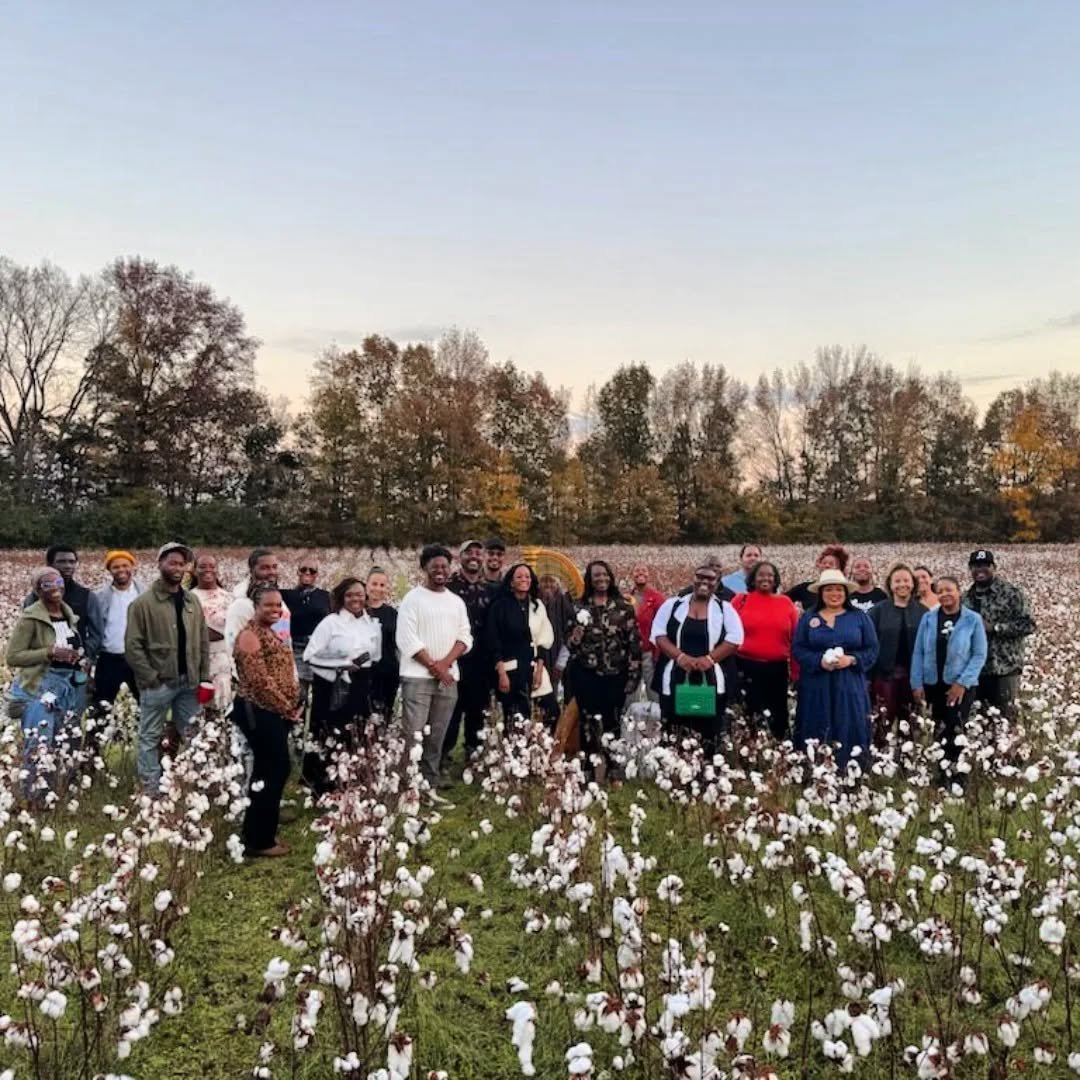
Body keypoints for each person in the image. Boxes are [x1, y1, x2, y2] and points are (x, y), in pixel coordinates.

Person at [124, 543, 210, 796]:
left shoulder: (192, 600)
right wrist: (150, 677)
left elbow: (202, 641)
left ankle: (193, 787)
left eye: (182, 564)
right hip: (159, 684)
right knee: (150, 736)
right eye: (172, 563)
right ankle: (152, 790)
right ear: (160, 564)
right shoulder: (142, 604)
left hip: (189, 683)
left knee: (193, 735)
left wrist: (203, 677)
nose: (178, 568)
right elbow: (132, 646)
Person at [396, 545, 473, 804]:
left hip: (448, 679)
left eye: (444, 566)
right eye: (434, 566)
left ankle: (429, 786)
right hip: (417, 678)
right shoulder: (412, 599)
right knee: (414, 736)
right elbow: (407, 639)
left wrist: (445, 665)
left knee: (436, 737)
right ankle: (409, 789)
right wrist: (434, 666)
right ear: (425, 568)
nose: (440, 570)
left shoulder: (456, 602)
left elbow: (465, 637)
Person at [7, 566, 90, 797]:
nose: (55, 588)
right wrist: (49, 652)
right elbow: (13, 656)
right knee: (40, 742)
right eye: (47, 584)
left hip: (67, 687)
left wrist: (79, 660)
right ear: (37, 590)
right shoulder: (30, 618)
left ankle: (56, 793)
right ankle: (34, 797)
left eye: (58, 583)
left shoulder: (68, 614)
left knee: (63, 740)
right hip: (39, 686)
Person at [233, 583, 301, 856]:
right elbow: (259, 682)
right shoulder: (250, 636)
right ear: (256, 607)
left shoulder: (269, 631)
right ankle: (259, 840)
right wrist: (287, 707)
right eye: (268, 605)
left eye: (278, 605)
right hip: (259, 710)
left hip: (274, 711)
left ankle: (260, 830)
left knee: (272, 769)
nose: (275, 609)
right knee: (273, 768)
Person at [791, 568, 879, 770]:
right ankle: (816, 771)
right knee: (816, 722)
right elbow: (798, 649)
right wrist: (818, 661)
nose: (834, 594)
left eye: (839, 589)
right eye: (829, 589)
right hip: (816, 683)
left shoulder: (859, 617)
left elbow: (872, 649)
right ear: (821, 593)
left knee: (850, 722)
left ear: (846, 593)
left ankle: (851, 770)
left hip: (850, 683)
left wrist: (852, 660)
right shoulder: (809, 618)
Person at [651, 565, 744, 754]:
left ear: (717, 583)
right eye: (700, 577)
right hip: (674, 676)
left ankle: (706, 765)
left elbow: (735, 638)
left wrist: (710, 659)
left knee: (709, 732)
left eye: (710, 579)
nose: (704, 582)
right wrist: (680, 657)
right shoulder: (672, 605)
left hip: (711, 679)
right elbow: (658, 634)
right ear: (693, 579)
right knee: (673, 729)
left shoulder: (725, 609)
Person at [302, 576, 382, 794]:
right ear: (341, 598)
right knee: (329, 732)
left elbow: (375, 655)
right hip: (332, 685)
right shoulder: (331, 623)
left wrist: (362, 661)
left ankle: (351, 780)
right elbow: (310, 655)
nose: (355, 599)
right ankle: (322, 784)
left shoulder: (371, 623)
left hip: (360, 683)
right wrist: (341, 663)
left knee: (355, 729)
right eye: (349, 595)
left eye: (359, 594)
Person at [563, 560, 642, 769]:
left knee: (612, 721)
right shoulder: (578, 607)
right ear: (589, 580)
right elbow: (569, 644)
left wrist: (634, 676)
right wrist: (575, 637)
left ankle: (613, 768)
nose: (601, 579)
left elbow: (634, 644)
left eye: (605, 574)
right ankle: (589, 768)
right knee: (587, 721)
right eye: (596, 575)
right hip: (586, 675)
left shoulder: (624, 608)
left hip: (616, 675)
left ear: (611, 578)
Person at [911, 575, 988, 769]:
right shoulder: (928, 618)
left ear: (958, 592)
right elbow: (918, 651)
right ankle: (939, 772)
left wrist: (962, 683)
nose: (944, 594)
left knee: (956, 730)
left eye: (949, 590)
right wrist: (916, 683)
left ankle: (957, 773)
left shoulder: (973, 619)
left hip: (960, 687)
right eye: (940, 591)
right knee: (937, 730)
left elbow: (979, 655)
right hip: (933, 684)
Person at [443, 539, 497, 766]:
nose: (474, 556)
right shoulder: (448, 586)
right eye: (469, 552)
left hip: (481, 661)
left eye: (478, 552)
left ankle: (473, 754)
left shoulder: (491, 589)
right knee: (450, 710)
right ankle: (443, 755)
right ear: (460, 557)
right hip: (454, 657)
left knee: (477, 709)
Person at [963, 549, 1035, 717]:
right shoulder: (965, 598)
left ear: (994, 567)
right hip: (975, 671)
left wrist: (995, 628)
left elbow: (1028, 625)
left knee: (1004, 722)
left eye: (985, 565)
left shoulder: (1012, 594)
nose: (980, 570)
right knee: (977, 721)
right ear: (970, 569)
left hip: (1004, 669)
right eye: (975, 566)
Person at [731, 561, 798, 738]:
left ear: (775, 580)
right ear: (752, 579)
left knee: (778, 715)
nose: (765, 578)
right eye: (761, 575)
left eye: (770, 575)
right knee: (748, 714)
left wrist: (795, 672)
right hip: (745, 667)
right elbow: (727, 633)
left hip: (777, 669)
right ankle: (748, 747)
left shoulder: (785, 603)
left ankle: (779, 746)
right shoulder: (740, 600)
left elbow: (796, 639)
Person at [485, 563, 555, 723]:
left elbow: (544, 638)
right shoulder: (499, 606)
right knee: (517, 719)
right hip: (510, 670)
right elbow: (493, 640)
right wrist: (501, 673)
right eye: (519, 576)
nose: (524, 579)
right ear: (511, 582)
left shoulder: (537, 605)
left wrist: (539, 670)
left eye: (527, 576)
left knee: (551, 712)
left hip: (534, 667)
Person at [867, 563, 928, 746]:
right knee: (882, 722)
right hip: (884, 677)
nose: (902, 584)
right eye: (897, 581)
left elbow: (927, 648)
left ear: (913, 583)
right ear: (890, 584)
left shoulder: (923, 612)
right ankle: (880, 757)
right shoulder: (877, 611)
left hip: (913, 678)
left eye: (906, 580)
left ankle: (907, 758)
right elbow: (869, 644)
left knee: (910, 723)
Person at [23, 545, 102, 661]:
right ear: (49, 564)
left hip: (76, 664)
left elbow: (96, 634)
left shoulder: (87, 597)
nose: (68, 566)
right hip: (43, 663)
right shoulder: (35, 597)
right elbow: (26, 633)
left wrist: (83, 653)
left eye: (72, 562)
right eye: (61, 561)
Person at [93, 550, 143, 713]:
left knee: (142, 706)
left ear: (132, 567)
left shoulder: (144, 594)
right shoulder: (99, 597)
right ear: (109, 570)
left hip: (139, 659)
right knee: (103, 706)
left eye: (125, 565)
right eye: (116, 567)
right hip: (109, 659)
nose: (121, 570)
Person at [280, 556, 332, 708]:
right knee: (298, 694)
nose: (307, 573)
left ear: (317, 574)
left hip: (318, 650)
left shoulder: (326, 596)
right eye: (303, 569)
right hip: (295, 649)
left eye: (312, 570)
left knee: (321, 696)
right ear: (297, 572)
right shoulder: (286, 595)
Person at [225, 548, 292, 655]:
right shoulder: (241, 605)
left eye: (274, 567)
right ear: (252, 570)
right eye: (265, 568)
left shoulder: (278, 600)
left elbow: (286, 640)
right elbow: (232, 645)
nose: (272, 572)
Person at [189, 553, 233, 710]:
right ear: (194, 571)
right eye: (202, 566)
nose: (208, 570)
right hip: (197, 660)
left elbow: (234, 631)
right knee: (198, 707)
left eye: (212, 566)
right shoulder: (188, 598)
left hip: (223, 661)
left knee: (221, 705)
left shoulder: (229, 597)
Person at [365, 567, 400, 718]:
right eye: (374, 584)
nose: (377, 589)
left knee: (382, 719)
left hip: (387, 675)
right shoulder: (357, 611)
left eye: (382, 585)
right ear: (367, 585)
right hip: (362, 675)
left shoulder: (393, 614)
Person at [540, 574, 576, 715]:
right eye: (544, 582)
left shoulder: (564, 603)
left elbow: (570, 632)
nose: (548, 586)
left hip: (559, 656)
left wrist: (561, 662)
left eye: (552, 583)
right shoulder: (535, 603)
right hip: (539, 658)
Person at [629, 564, 666, 699]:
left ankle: (656, 710)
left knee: (653, 689)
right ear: (632, 575)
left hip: (649, 652)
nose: (640, 573)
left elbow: (664, 624)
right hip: (631, 653)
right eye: (637, 570)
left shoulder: (657, 598)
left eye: (644, 570)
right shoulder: (627, 598)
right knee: (631, 691)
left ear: (649, 575)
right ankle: (630, 711)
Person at [787, 545, 850, 611]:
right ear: (819, 565)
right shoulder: (805, 588)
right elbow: (782, 600)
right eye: (824, 563)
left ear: (840, 569)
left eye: (831, 564)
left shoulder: (846, 591)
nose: (827, 565)